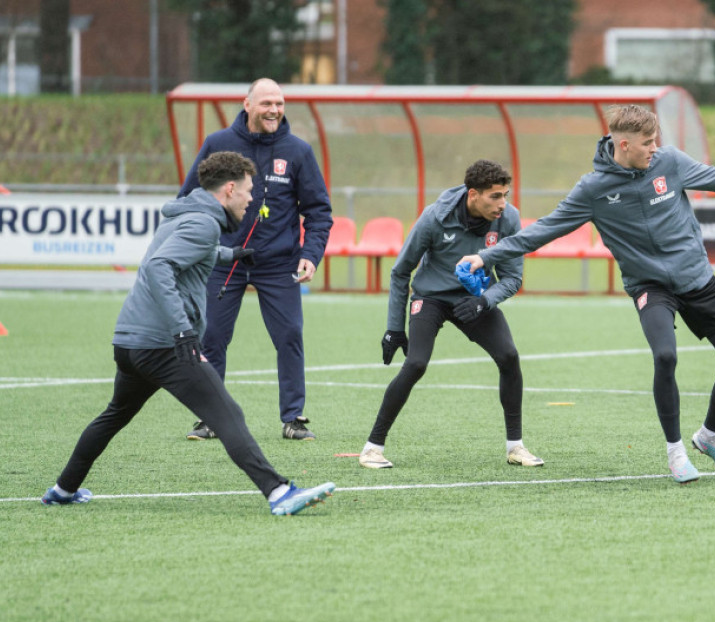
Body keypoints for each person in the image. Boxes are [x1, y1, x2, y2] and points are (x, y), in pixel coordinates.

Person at [459, 105, 715, 483]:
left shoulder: (671, 163)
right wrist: (486, 256)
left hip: (697, 279)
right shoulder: (593, 189)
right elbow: (542, 230)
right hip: (651, 287)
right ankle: (676, 452)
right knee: (665, 356)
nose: (654, 148)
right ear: (624, 144)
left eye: (656, 140)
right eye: (647, 143)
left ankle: (709, 437)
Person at [40, 152, 335, 515]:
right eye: (246, 191)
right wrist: (182, 331)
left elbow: (188, 250)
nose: (250, 199)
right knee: (227, 414)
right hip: (163, 343)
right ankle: (278, 493)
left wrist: (232, 255)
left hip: (130, 341)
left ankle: (63, 489)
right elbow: (160, 266)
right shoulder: (204, 223)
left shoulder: (185, 215)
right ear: (228, 189)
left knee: (115, 413)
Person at [178, 78, 333, 441]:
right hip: (223, 261)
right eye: (266, 103)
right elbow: (189, 198)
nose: (275, 110)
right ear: (247, 105)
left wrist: (311, 255)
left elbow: (319, 211)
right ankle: (209, 418)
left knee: (290, 335)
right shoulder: (218, 145)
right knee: (211, 336)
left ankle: (293, 418)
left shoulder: (298, 151)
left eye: (279, 103)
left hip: (279, 265)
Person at [362, 160, 542, 469]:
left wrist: (484, 301)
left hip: (474, 300)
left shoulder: (509, 219)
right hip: (431, 298)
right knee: (416, 363)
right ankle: (372, 448)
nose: (503, 204)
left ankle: (515, 447)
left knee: (509, 357)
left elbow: (513, 278)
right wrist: (394, 328)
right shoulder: (435, 217)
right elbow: (400, 272)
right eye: (495, 196)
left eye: (505, 195)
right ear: (473, 194)